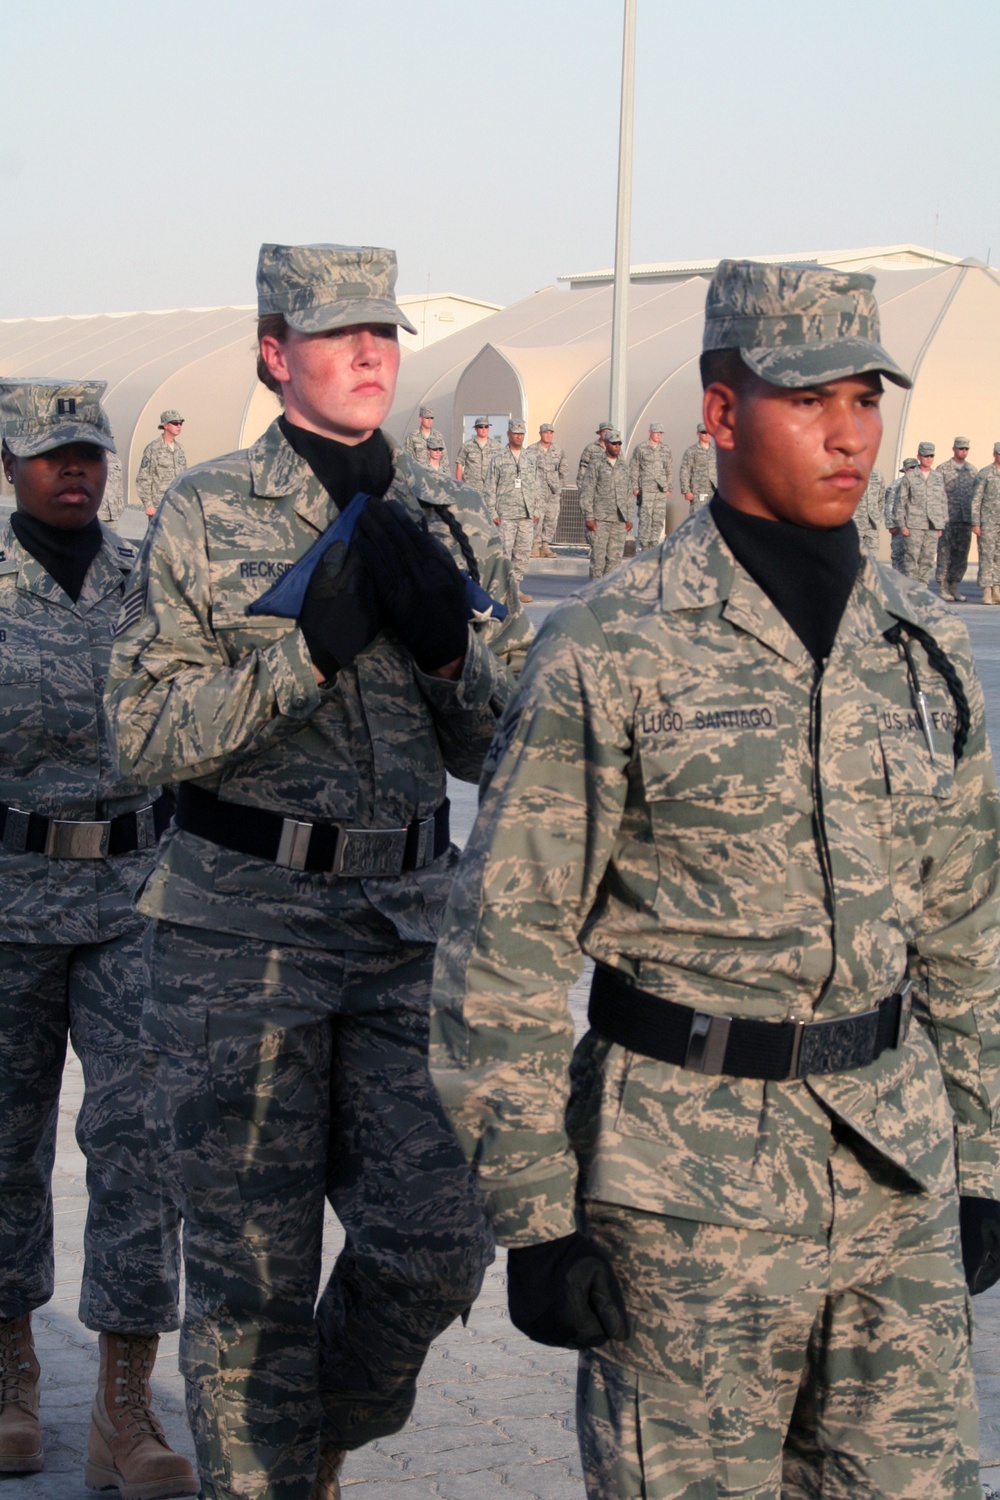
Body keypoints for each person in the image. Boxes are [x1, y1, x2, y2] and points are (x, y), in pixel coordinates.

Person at [430, 259, 1000, 1500]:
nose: (849, 433)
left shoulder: (920, 645)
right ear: (722, 410)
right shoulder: (613, 646)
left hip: (895, 1169)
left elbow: (966, 926)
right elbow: (505, 949)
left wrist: (987, 1158)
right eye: (808, 400)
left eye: (864, 397)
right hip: (682, 1195)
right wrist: (534, 1213)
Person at [105, 242, 532, 1500]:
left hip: (405, 925)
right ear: (271, 351)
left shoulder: (445, 518)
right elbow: (142, 733)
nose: (369, 355)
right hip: (242, 933)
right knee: (251, 1273)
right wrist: (307, 654)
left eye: (385, 336)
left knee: (435, 1241)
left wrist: (457, 660)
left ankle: (302, 1446)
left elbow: (497, 750)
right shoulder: (203, 509)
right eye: (339, 334)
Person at [0, 380, 194, 1497]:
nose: (74, 472)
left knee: (141, 1146)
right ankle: (10, 1374)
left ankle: (125, 1406)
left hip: (132, 897)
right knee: (4, 1145)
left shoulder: (146, 582)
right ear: (12, 465)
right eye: (51, 456)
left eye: (88, 455)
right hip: (8, 898)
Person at [484, 419, 538, 601]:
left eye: (522, 433)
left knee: (522, 553)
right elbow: (490, 487)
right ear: (508, 434)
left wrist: (536, 509)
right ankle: (501, 590)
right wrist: (492, 512)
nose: (519, 436)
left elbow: (536, 485)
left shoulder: (530, 458)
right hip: (505, 514)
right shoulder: (498, 459)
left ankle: (516, 588)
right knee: (504, 552)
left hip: (526, 513)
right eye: (516, 433)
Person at [579, 426, 633, 578]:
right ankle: (595, 592)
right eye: (614, 443)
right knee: (598, 559)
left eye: (619, 444)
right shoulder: (597, 464)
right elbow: (587, 491)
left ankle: (608, 593)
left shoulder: (623, 466)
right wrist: (589, 517)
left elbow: (628, 493)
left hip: (619, 519)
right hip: (600, 518)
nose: (617, 446)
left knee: (615, 559)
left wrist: (628, 517)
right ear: (606, 444)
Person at [895, 440, 947, 581]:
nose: (929, 459)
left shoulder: (937, 477)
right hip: (914, 525)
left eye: (931, 456)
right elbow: (900, 502)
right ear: (919, 457)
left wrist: (941, 524)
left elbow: (942, 501)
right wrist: (902, 525)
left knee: (928, 558)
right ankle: (912, 588)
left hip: (932, 525)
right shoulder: (910, 477)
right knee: (911, 558)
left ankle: (923, 587)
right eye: (925, 456)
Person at [936, 437, 977, 601]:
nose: (963, 451)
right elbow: (936, 495)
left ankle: (954, 586)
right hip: (948, 519)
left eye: (966, 449)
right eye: (960, 448)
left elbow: (976, 496)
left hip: (965, 518)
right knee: (945, 553)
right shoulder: (942, 469)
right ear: (953, 449)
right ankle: (942, 586)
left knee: (961, 555)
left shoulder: (972, 471)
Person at [135, 409, 186, 520]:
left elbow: (184, 477)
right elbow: (143, 478)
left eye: (180, 423)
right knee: (158, 537)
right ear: (166, 426)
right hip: (160, 506)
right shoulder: (153, 448)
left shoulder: (180, 449)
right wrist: (148, 505)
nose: (179, 426)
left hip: (177, 505)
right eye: (175, 423)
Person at [628, 422, 672, 550]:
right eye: (656, 432)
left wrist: (669, 487)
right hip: (646, 489)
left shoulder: (665, 449)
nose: (658, 435)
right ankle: (644, 545)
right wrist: (635, 487)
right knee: (645, 517)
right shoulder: (641, 448)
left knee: (658, 518)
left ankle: (654, 544)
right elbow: (634, 468)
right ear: (650, 432)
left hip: (660, 490)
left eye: (660, 433)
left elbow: (669, 469)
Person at [527, 423, 567, 558]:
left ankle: (545, 545)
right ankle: (534, 545)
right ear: (540, 434)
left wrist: (559, 486)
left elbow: (563, 470)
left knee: (551, 518)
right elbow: (526, 470)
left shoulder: (558, 450)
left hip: (553, 491)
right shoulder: (531, 450)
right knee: (536, 519)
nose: (548, 435)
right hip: (537, 492)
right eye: (546, 433)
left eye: (550, 433)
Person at [972, 441, 1000, 604]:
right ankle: (987, 590)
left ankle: (997, 588)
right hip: (987, 522)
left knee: (999, 556)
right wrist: (976, 522)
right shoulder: (986, 473)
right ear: (994, 454)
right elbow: (976, 499)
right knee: (986, 555)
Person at [886, 456, 918, 571]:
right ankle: (897, 580)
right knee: (898, 554)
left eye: (915, 468)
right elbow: (889, 504)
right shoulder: (897, 484)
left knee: (913, 556)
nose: (913, 470)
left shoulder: (920, 485)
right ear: (904, 470)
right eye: (910, 468)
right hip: (899, 525)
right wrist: (891, 524)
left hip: (915, 526)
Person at [455, 417, 501, 495]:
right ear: (475, 428)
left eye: (486, 427)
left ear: (488, 428)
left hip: (490, 488)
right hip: (471, 488)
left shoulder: (496, 446)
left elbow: (501, 466)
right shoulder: (467, 445)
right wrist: (459, 485)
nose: (484, 429)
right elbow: (459, 464)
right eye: (480, 427)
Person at [678, 421, 718, 508]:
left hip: (714, 491)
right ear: (698, 434)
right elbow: (685, 471)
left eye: (709, 432)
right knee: (698, 519)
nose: (707, 435)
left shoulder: (715, 451)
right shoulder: (691, 451)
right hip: (698, 491)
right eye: (704, 432)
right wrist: (686, 490)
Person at [404, 405, 448, 470]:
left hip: (436, 474)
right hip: (419, 474)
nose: (430, 420)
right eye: (427, 418)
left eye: (431, 418)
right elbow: (407, 458)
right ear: (420, 419)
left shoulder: (438, 436)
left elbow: (444, 458)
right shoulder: (412, 436)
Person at [856, 463, 885, 555]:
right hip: (855, 523)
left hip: (872, 525)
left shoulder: (877, 475)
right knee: (853, 556)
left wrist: (878, 518)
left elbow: (881, 499)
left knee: (872, 558)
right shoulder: (850, 475)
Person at [576, 422, 613, 487]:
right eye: (604, 432)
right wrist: (581, 488)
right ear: (599, 433)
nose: (606, 434)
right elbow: (583, 469)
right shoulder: (591, 448)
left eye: (609, 432)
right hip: (594, 488)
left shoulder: (615, 449)